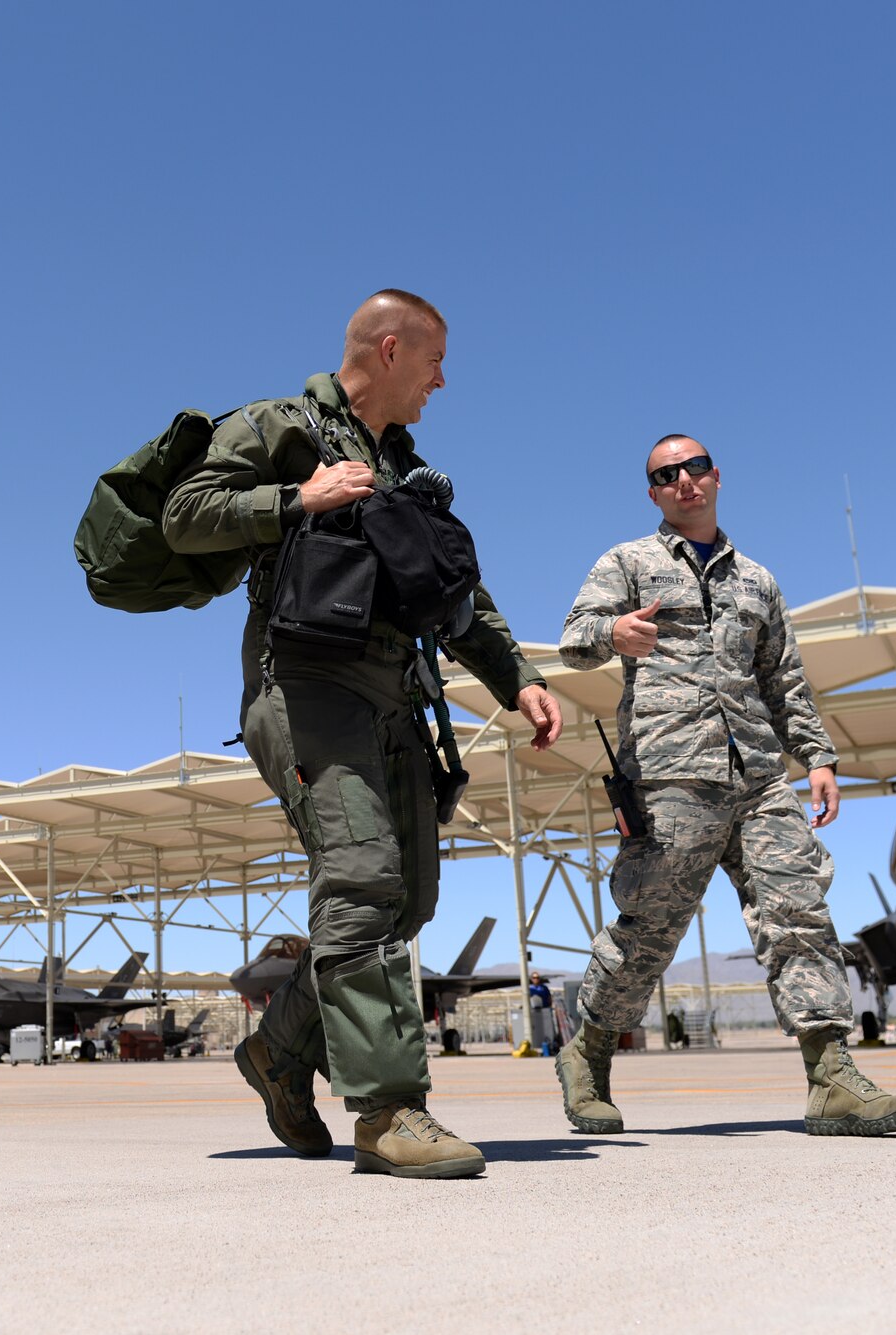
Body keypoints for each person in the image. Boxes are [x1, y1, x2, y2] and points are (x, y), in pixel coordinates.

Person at [164, 290, 562, 1179]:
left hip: (397, 699)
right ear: (390, 349)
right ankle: (388, 1110)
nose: (441, 382)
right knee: (360, 877)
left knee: (403, 901)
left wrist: (520, 681)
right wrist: (293, 498)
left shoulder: (405, 467)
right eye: (434, 363)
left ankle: (277, 1050)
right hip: (304, 689)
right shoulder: (283, 425)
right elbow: (184, 513)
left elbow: (457, 595)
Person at [553, 434, 896, 1137]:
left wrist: (816, 755)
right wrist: (615, 631)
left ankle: (831, 1077)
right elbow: (574, 636)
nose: (684, 482)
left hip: (757, 773)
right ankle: (588, 1052)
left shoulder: (756, 580)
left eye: (695, 468)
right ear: (654, 493)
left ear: (716, 476)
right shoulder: (628, 562)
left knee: (799, 912)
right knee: (650, 932)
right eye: (666, 475)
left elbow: (781, 675)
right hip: (671, 773)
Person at [528, 970, 560, 1056]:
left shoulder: (544, 988)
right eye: (534, 977)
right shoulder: (529, 989)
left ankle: (548, 1045)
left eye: (537, 977)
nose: (536, 979)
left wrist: (549, 1007)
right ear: (531, 979)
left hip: (545, 1010)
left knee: (547, 1029)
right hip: (534, 1012)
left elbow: (549, 998)